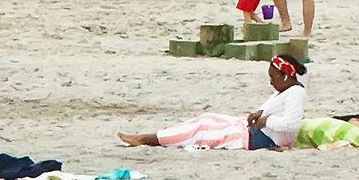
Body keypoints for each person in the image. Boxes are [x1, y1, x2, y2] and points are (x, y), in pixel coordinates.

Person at [119, 55, 307, 150]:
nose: (271, 82)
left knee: (202, 130)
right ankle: (156, 136)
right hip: (254, 131)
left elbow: (291, 125)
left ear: (285, 76)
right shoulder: (285, 90)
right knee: (206, 118)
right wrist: (259, 113)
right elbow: (269, 107)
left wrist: (266, 120)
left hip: (260, 139)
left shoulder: (295, 93)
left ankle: (148, 139)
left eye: (273, 77)